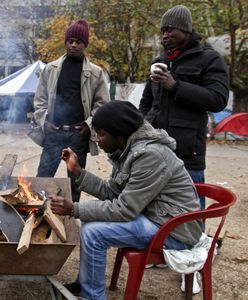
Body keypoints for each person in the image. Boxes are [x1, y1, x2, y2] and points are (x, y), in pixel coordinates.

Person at [49, 100, 203, 300]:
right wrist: (77, 171)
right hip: (155, 217)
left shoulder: (150, 155)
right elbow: (112, 192)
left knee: (93, 232)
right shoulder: (127, 149)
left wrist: (73, 209)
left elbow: (124, 209)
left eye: (102, 134)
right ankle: (84, 284)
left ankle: (92, 297)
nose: (97, 140)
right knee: (91, 217)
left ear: (119, 134)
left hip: (174, 231)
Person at [139, 5, 229, 209]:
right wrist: (144, 125)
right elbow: (146, 103)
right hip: (155, 151)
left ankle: (195, 241)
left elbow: (218, 99)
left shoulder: (209, 58)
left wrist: (176, 86)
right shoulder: (160, 61)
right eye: (163, 30)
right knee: (154, 210)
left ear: (186, 30)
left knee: (191, 214)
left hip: (187, 154)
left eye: (170, 29)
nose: (165, 34)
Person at [33, 19, 110, 202]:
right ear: (65, 42)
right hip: (54, 132)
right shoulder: (50, 69)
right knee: (41, 179)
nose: (74, 45)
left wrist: (89, 124)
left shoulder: (96, 72)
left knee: (75, 182)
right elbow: (39, 100)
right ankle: (35, 216)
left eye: (78, 42)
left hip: (78, 134)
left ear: (85, 44)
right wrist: (45, 121)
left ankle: (71, 221)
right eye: (70, 41)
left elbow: (102, 105)